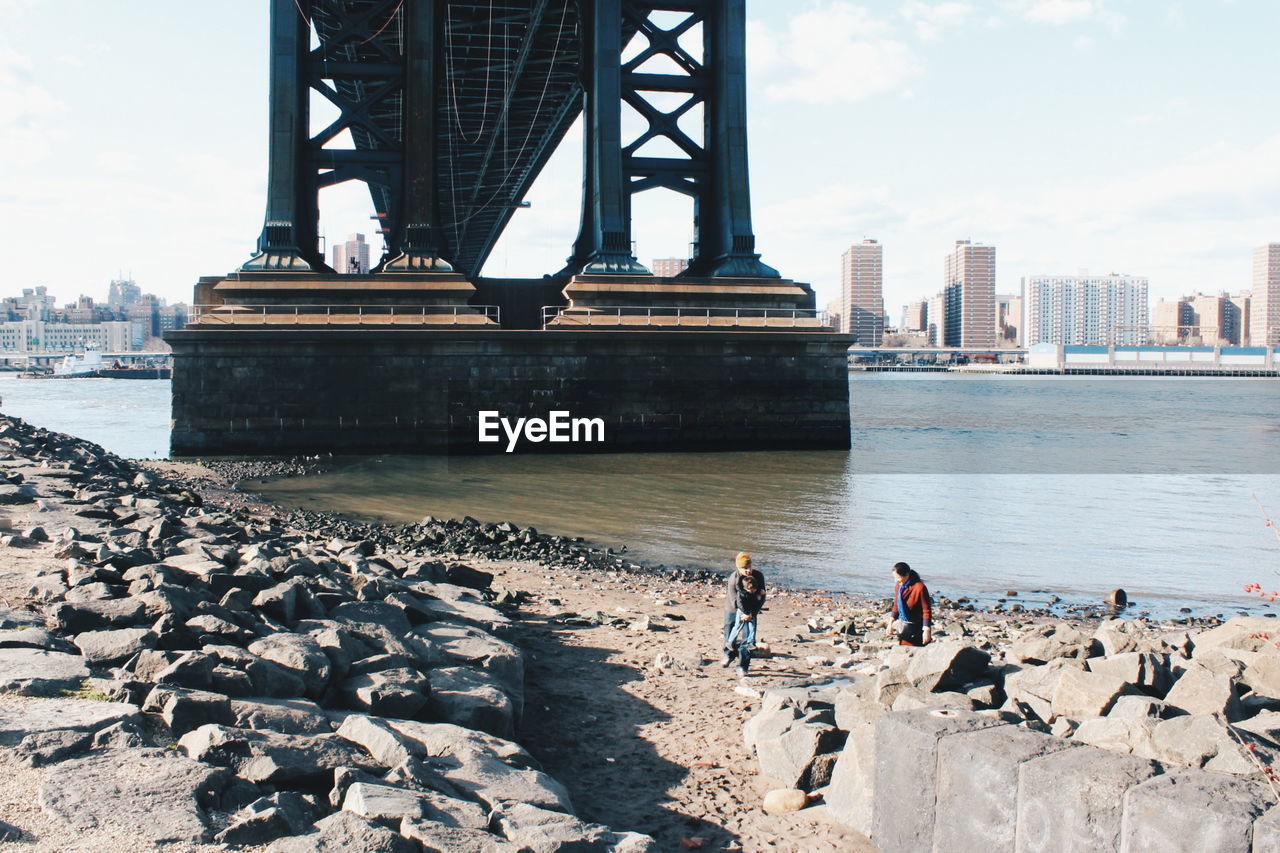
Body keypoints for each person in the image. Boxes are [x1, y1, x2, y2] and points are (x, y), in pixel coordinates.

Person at [723, 552, 765, 671]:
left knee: (748, 638)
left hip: (751, 610)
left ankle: (742, 666)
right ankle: (728, 655)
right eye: (745, 568)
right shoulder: (733, 579)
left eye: (749, 567)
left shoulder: (758, 576)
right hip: (733, 609)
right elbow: (735, 601)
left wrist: (752, 614)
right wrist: (744, 614)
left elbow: (762, 597)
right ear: (738, 568)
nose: (748, 570)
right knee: (729, 633)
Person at [888, 561, 932, 646]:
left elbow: (926, 610)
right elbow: (896, 605)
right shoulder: (898, 585)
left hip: (917, 627)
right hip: (904, 625)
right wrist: (890, 623)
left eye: (898, 578)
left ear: (907, 575)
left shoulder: (920, 587)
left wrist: (927, 630)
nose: (896, 581)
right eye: (894, 578)